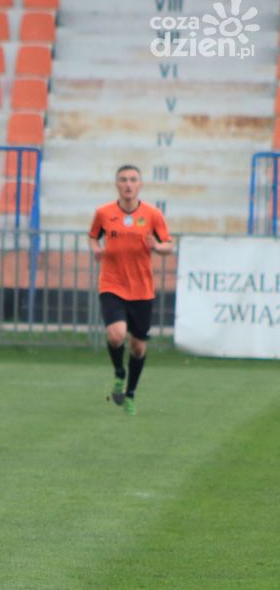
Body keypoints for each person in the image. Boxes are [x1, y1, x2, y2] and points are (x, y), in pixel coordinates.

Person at [88, 165, 174, 415]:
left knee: (138, 347)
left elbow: (168, 245)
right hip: (112, 284)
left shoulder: (153, 214)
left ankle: (130, 394)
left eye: (133, 180)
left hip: (142, 290)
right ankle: (119, 372)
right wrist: (96, 248)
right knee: (116, 335)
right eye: (123, 180)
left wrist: (157, 246)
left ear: (140, 185)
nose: (128, 184)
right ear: (117, 184)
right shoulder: (103, 213)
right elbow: (93, 236)